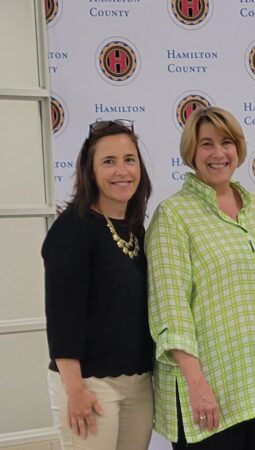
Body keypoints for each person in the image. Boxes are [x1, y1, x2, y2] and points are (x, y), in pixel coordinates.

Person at [146, 107, 255, 449]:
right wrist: (197, 384)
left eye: (226, 142)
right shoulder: (174, 215)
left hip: (252, 382)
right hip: (205, 390)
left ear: (239, 148)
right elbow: (170, 308)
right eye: (206, 144)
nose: (218, 153)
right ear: (191, 152)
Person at [44, 119, 154, 450]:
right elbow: (63, 316)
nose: (122, 170)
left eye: (129, 159)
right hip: (90, 385)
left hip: (138, 384)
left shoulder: (135, 228)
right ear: (90, 172)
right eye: (109, 161)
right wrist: (74, 389)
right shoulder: (73, 229)